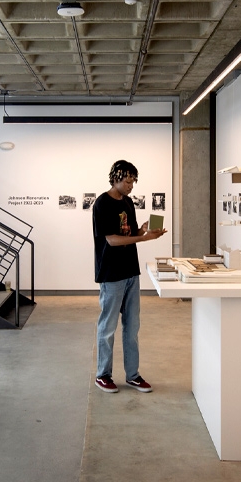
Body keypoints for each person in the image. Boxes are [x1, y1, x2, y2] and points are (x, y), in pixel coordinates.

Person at [92, 160, 167, 393]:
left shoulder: (128, 203)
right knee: (108, 327)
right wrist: (143, 239)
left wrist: (144, 230)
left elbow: (129, 233)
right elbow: (112, 240)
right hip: (111, 274)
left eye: (133, 181)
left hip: (131, 273)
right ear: (115, 178)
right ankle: (103, 374)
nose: (131, 186)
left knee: (132, 327)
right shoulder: (102, 204)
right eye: (127, 181)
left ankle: (132, 375)